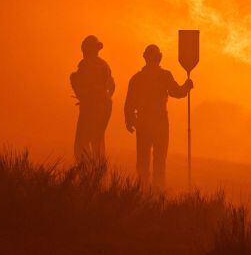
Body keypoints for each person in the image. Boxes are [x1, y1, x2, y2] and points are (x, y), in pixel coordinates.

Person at [124, 44, 193, 188]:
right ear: (159, 58)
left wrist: (129, 120)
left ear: (145, 58)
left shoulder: (137, 78)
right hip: (160, 122)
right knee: (160, 160)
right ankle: (158, 191)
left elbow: (129, 103)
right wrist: (187, 86)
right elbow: (177, 93)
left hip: (143, 122)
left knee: (143, 160)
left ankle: (143, 190)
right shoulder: (164, 76)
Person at [70, 35, 115, 163]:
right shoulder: (104, 65)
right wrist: (104, 100)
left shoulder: (85, 65)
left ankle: (87, 174)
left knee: (81, 144)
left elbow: (80, 85)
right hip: (103, 108)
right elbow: (112, 87)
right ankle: (98, 173)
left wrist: (87, 98)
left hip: (90, 109)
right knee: (98, 142)